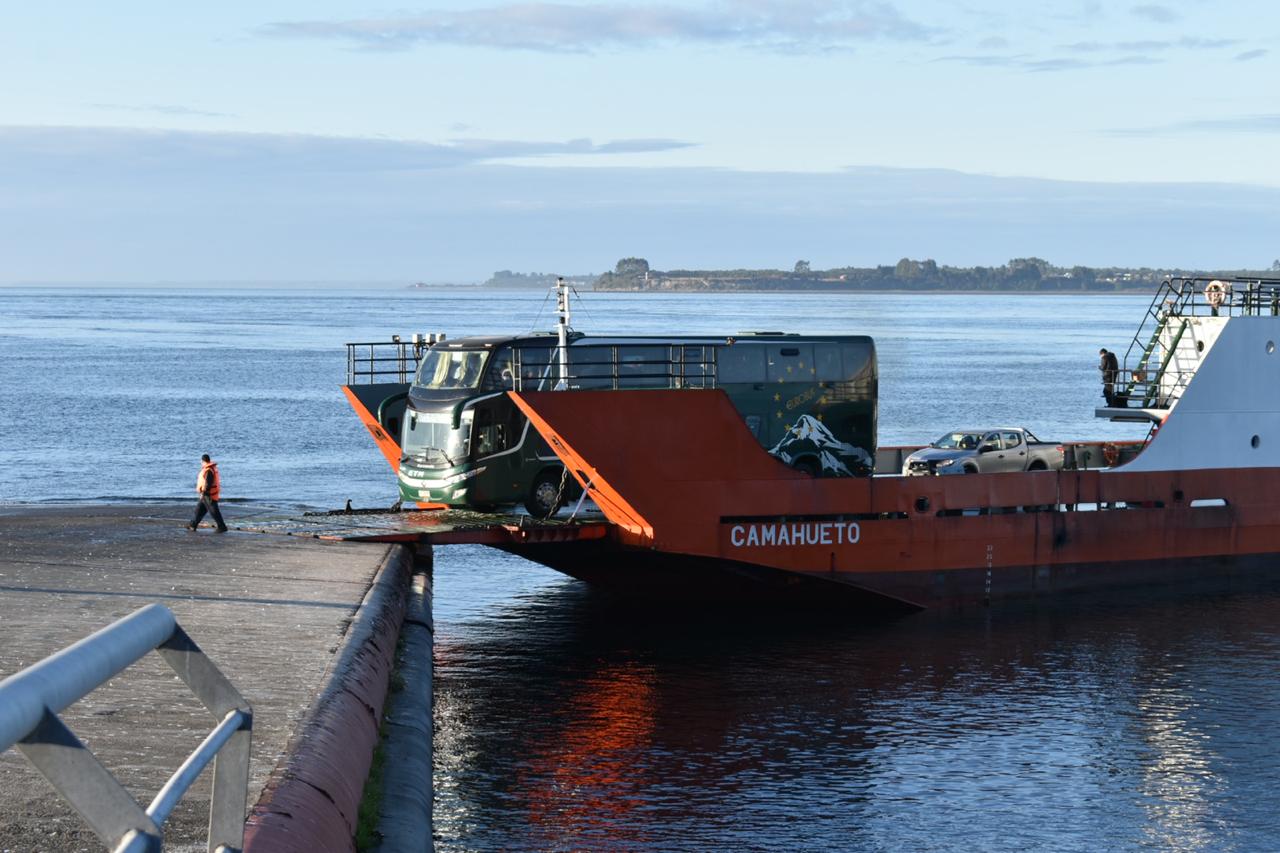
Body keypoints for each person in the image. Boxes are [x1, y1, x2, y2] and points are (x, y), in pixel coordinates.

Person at [188, 453, 228, 532]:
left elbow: (208, 483)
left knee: (214, 511)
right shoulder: (210, 468)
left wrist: (204, 493)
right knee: (199, 510)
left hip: (209, 494)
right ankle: (192, 525)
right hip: (207, 493)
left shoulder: (208, 470)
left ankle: (222, 527)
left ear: (202, 461)